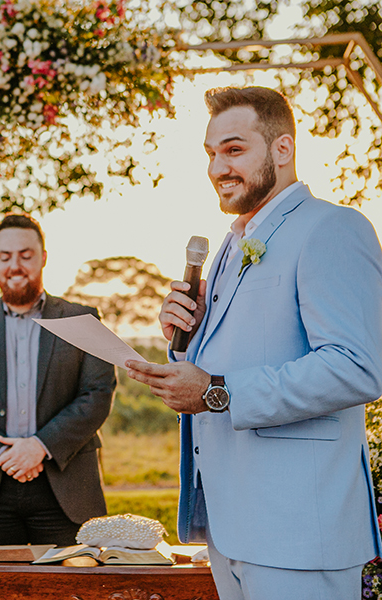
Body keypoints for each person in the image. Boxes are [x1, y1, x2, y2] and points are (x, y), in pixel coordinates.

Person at [127, 87, 382, 599]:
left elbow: (358, 366)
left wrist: (216, 391)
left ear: (282, 149)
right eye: (211, 153)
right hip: (230, 527)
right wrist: (187, 341)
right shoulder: (228, 245)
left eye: (234, 149)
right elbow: (236, 358)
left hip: (299, 534)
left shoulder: (332, 228)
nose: (217, 167)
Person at [0, 213, 115, 546]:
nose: (14, 266)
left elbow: (98, 393)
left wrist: (40, 446)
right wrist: (1, 453)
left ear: (43, 257)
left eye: (25, 255)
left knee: (72, 594)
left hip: (67, 488)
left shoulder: (83, 319)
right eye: (5, 257)